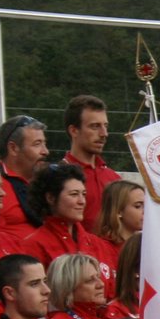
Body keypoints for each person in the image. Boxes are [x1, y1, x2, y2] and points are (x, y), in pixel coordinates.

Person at [21, 164, 116, 294]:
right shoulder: (34, 245)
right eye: (74, 194)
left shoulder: (99, 244)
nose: (82, 201)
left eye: (84, 194)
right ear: (50, 198)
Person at [61, 96, 120, 234]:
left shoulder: (113, 178)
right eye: (95, 126)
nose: (104, 134)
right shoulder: (59, 179)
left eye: (105, 126)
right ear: (74, 130)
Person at [0, 113, 49, 243]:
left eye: (44, 144)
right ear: (13, 148)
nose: (46, 151)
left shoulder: (50, 184)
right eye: (37, 144)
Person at [43, 252, 107, 319]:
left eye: (98, 277)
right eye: (90, 281)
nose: (101, 284)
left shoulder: (106, 317)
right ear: (68, 288)